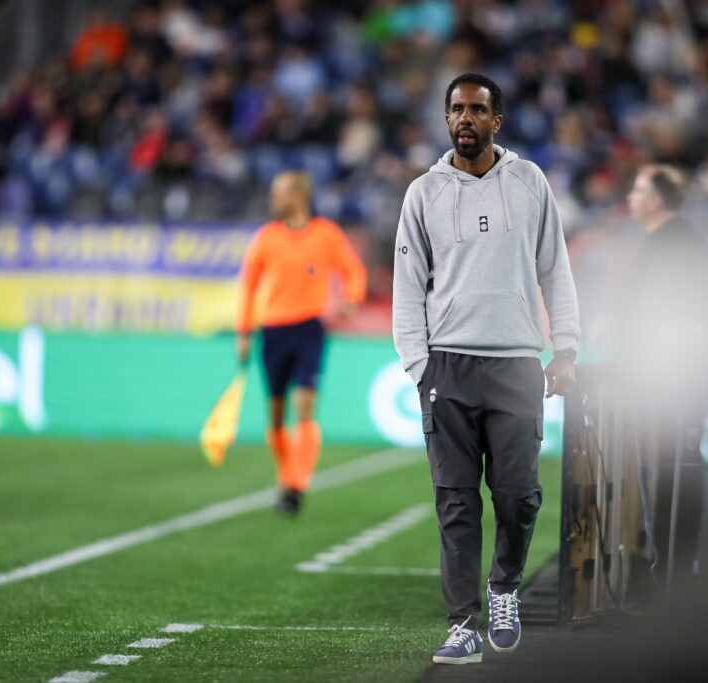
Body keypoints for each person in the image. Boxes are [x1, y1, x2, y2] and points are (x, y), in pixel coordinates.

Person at [392, 73, 581, 664]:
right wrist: (419, 366)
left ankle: (503, 589)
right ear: (446, 119)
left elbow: (557, 269)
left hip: (518, 364)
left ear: (496, 120)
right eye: (456, 109)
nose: (465, 118)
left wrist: (566, 347)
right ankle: (463, 624)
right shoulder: (423, 192)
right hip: (447, 366)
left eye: (476, 109)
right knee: (455, 502)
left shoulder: (529, 182)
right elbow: (406, 288)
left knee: (520, 495)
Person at [621, 164, 708, 598]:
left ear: (657, 200)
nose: (630, 197)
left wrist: (679, 332)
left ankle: (673, 571)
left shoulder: (675, 244)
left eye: (638, 190)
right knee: (663, 467)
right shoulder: (671, 241)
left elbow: (705, 287)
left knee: (667, 469)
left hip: (669, 378)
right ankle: (671, 566)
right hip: (665, 374)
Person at [236, 171, 367, 516]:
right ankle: (286, 474)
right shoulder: (266, 238)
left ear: (297, 196)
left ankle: (295, 482)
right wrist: (244, 332)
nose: (273, 200)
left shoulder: (325, 235)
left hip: (310, 329)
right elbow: (248, 286)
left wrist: (350, 298)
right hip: (273, 331)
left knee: (305, 405)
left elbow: (353, 271)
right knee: (277, 417)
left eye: (278, 193)